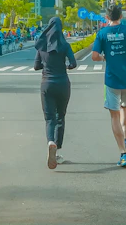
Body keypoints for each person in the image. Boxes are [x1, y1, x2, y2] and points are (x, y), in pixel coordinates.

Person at [92, 4, 126, 167]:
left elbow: (94, 56)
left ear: (107, 18)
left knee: (114, 115)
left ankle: (123, 154)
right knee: (125, 108)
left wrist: (104, 58)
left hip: (112, 79)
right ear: (121, 16)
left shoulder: (102, 33)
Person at [34, 17, 77, 169]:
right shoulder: (65, 45)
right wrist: (65, 65)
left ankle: (50, 141)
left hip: (46, 84)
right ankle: (56, 150)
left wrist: (46, 64)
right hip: (63, 84)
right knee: (61, 117)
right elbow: (73, 64)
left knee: (49, 119)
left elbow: (36, 66)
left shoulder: (42, 46)